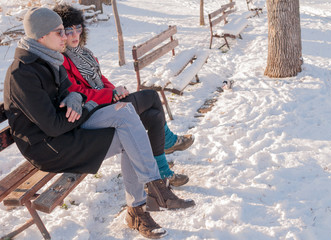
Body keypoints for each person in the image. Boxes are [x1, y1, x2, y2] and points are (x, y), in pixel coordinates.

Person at [4, 7, 195, 239]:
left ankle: (144, 202)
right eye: (59, 32)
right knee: (130, 130)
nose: (66, 37)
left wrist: (77, 98)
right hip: (49, 149)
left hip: (67, 133)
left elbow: (72, 94)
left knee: (126, 117)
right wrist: (85, 105)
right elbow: (53, 125)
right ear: (41, 36)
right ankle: (156, 192)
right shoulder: (23, 74)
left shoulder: (50, 58)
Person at [53, 4, 194, 187]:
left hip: (104, 103)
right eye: (68, 30)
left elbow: (101, 78)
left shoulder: (84, 53)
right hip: (93, 113)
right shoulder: (61, 59)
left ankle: (163, 170)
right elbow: (78, 93)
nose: (74, 35)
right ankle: (168, 142)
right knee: (151, 96)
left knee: (154, 116)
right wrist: (110, 95)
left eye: (77, 28)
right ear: (59, 33)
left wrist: (116, 91)